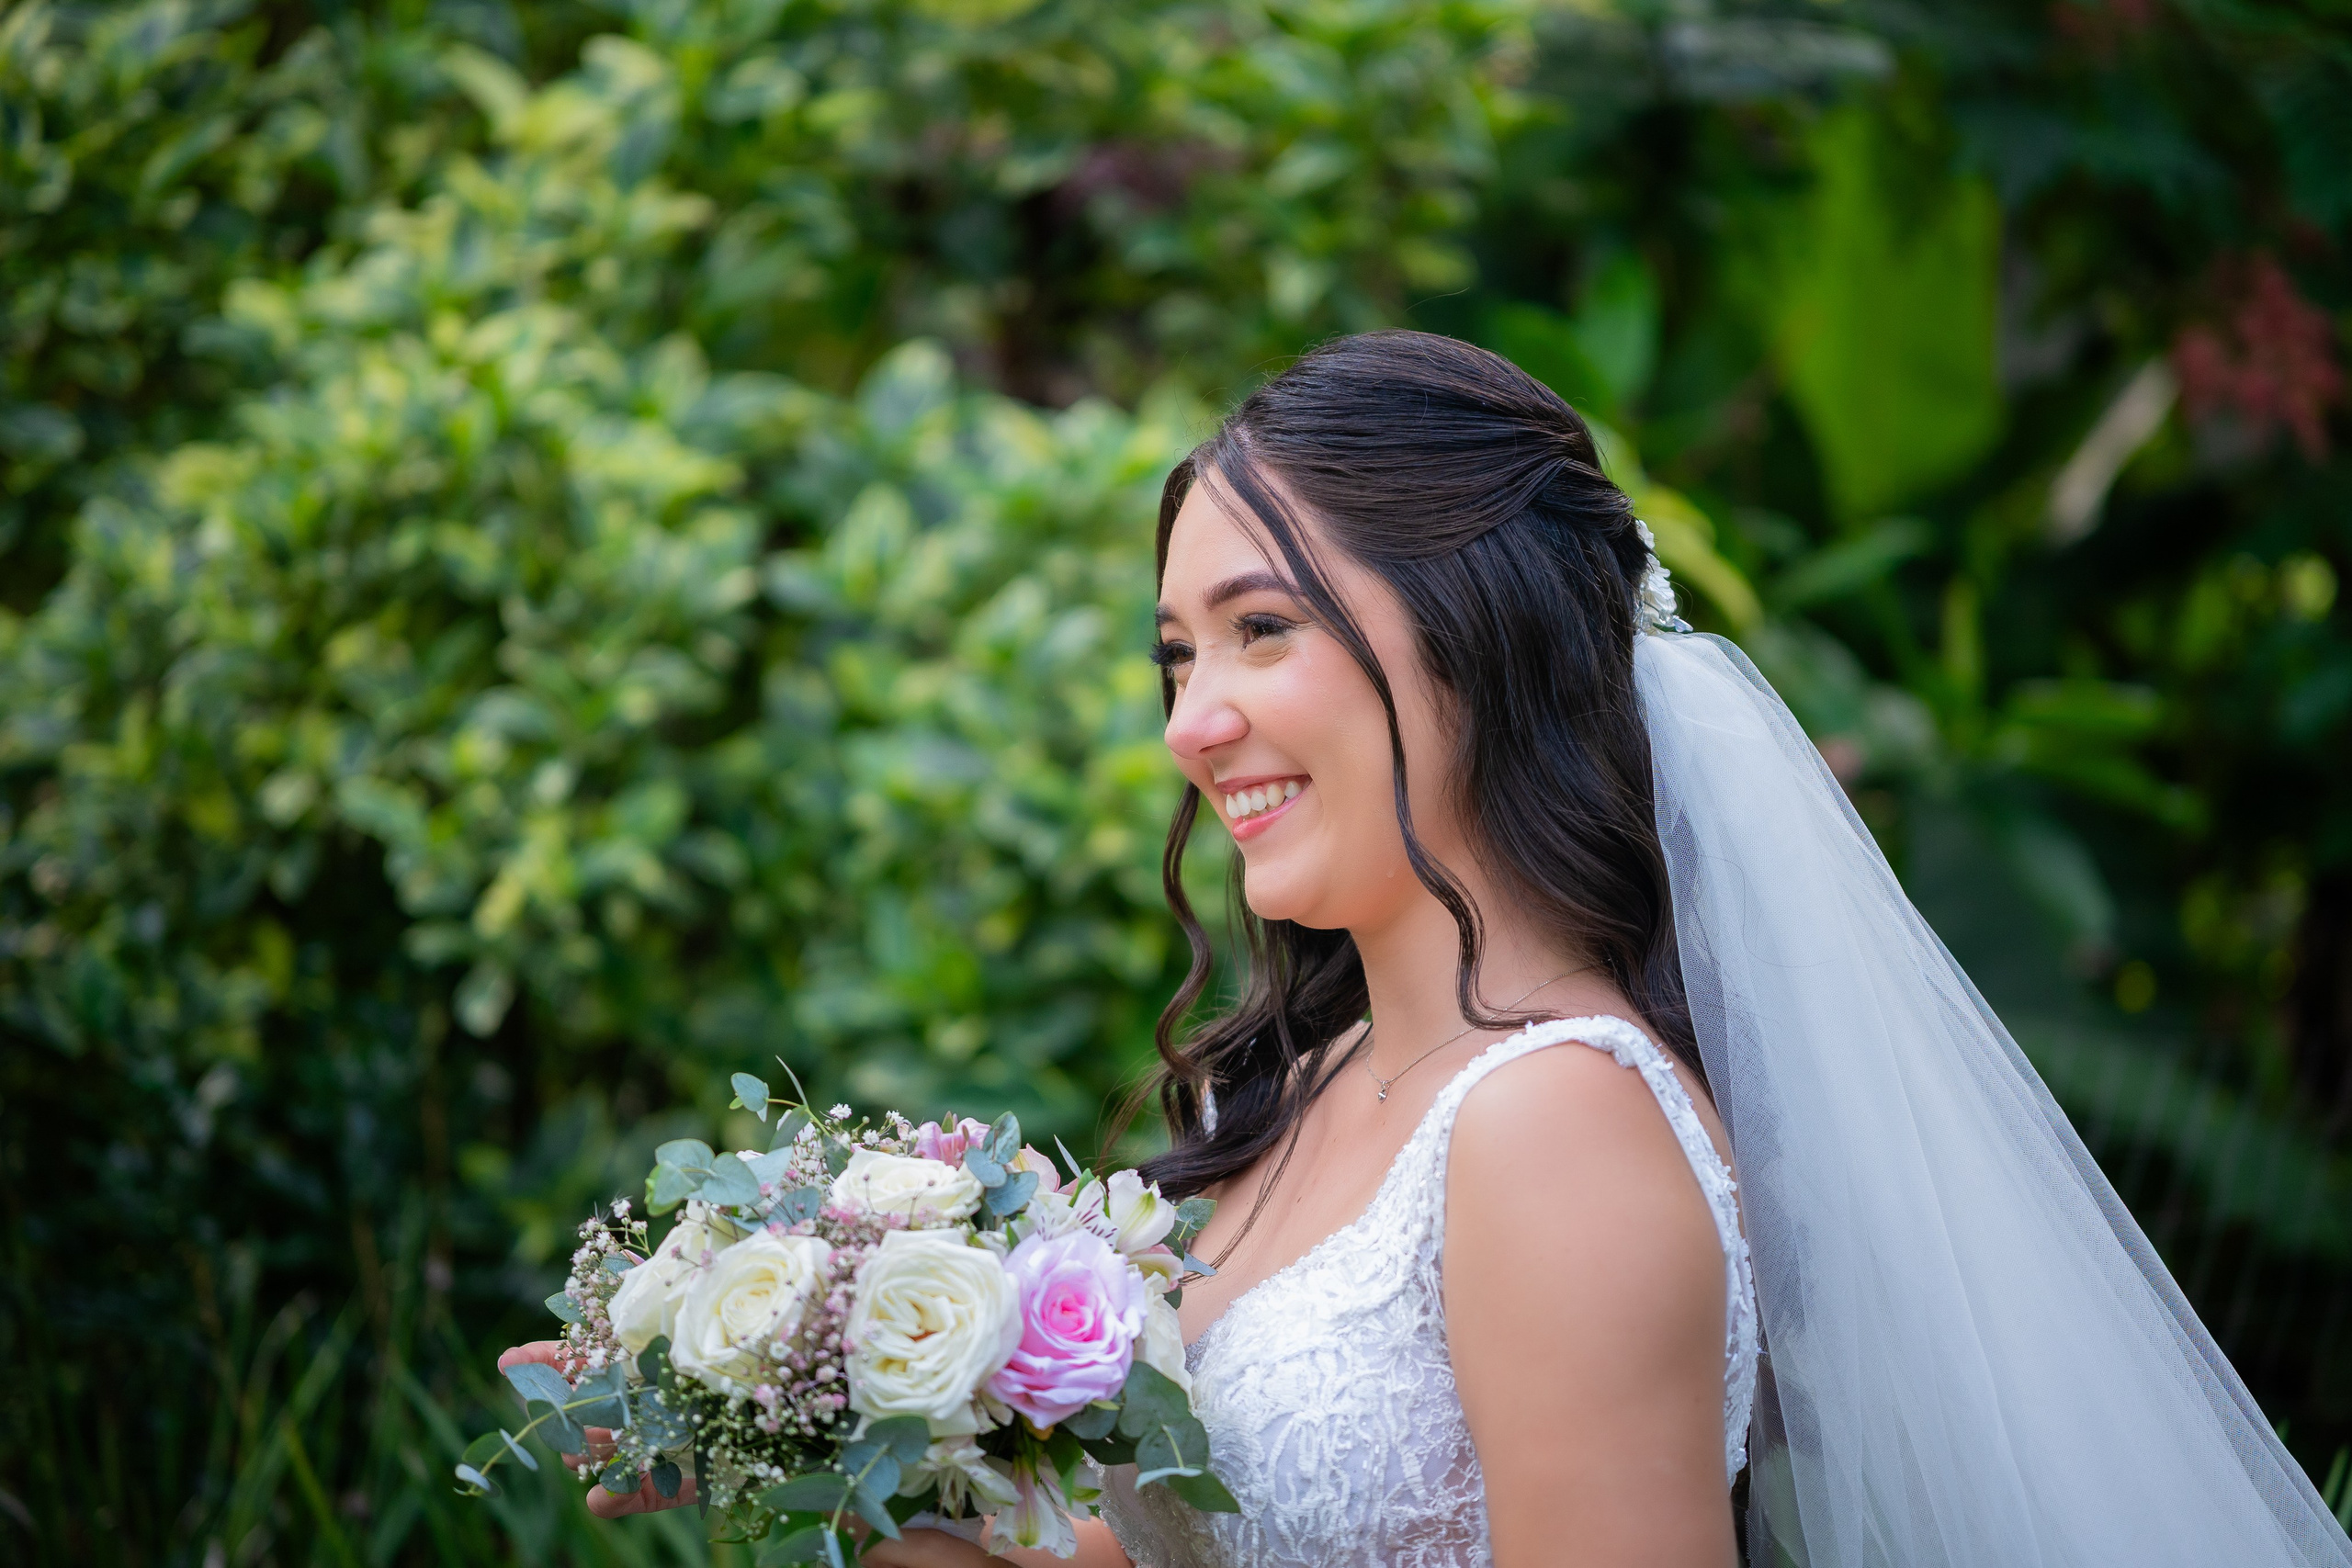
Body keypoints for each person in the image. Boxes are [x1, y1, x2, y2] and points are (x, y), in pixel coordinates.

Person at [507, 332, 2352, 1568]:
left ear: (1473, 637)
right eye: (1174, 656)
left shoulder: (1554, 1126)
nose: (1191, 722)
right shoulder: (1298, 1092)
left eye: (1257, 630)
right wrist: (833, 1424)